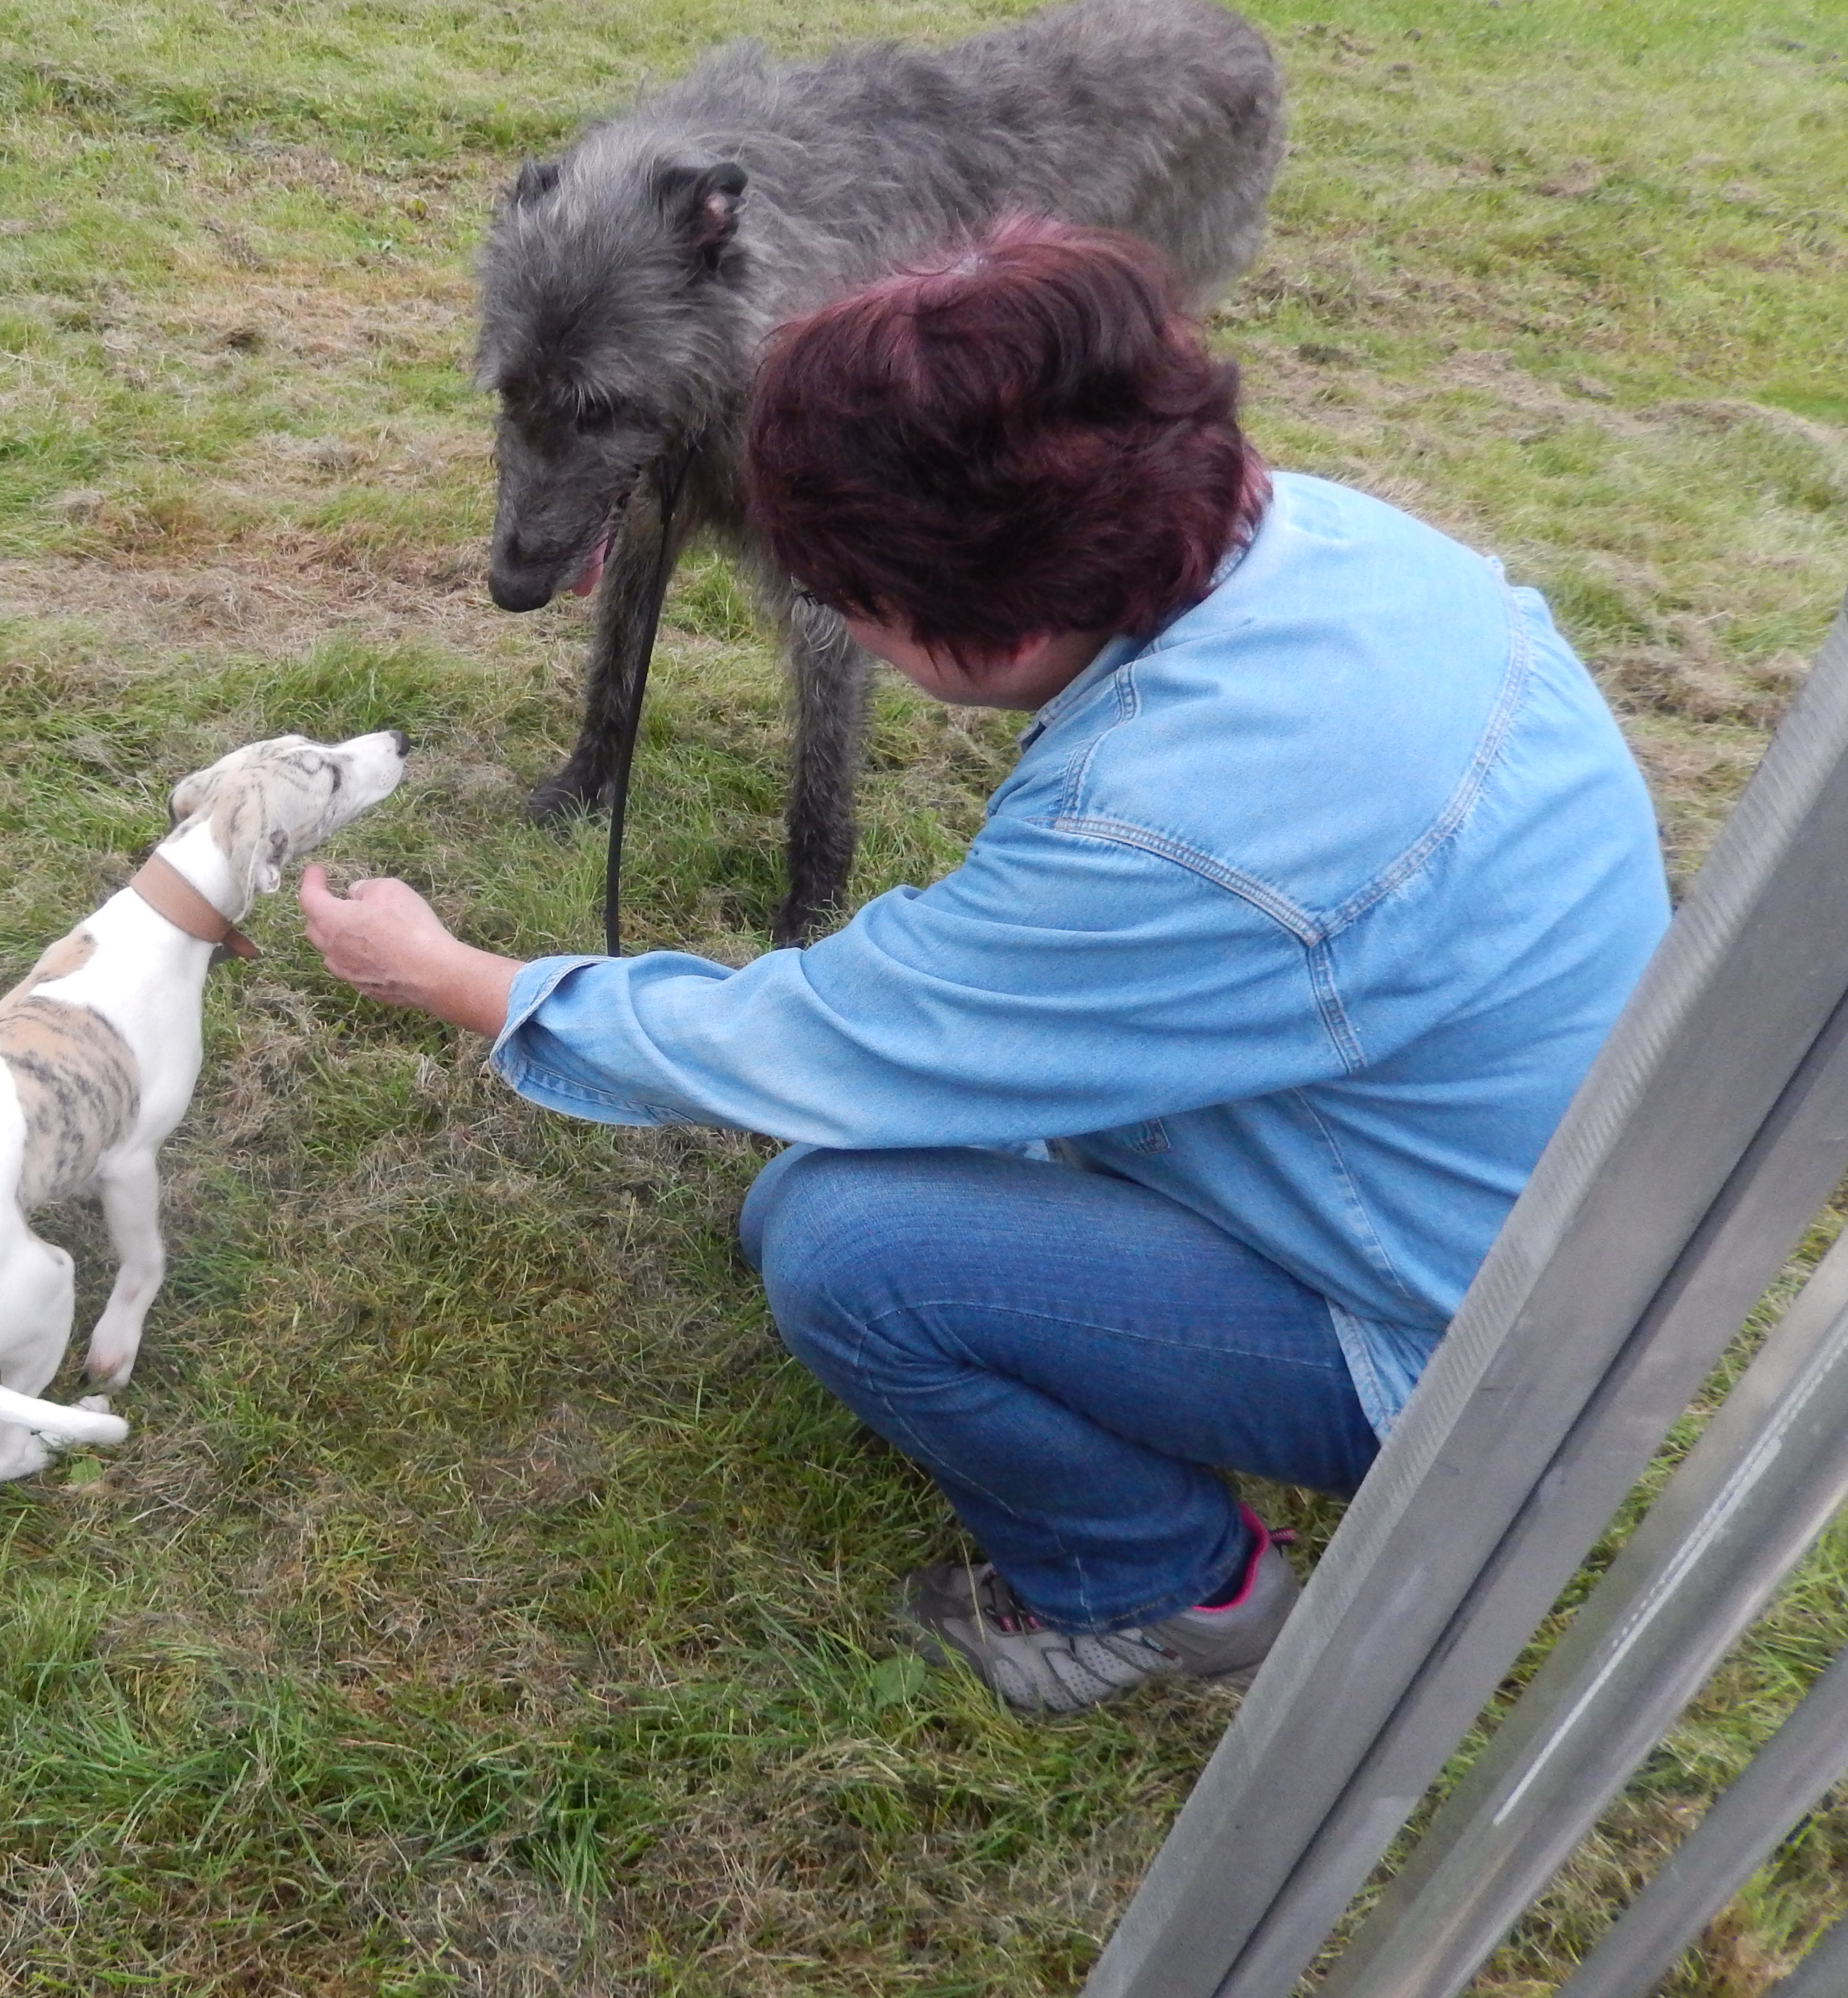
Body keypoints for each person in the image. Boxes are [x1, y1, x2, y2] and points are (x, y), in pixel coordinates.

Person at [299, 216, 1670, 1718]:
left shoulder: (1166, 822)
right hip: (1532, 1213)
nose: (843, 630)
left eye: (847, 604)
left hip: (1466, 1348)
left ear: (984, 611)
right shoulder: (1320, 547)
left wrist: (453, 976)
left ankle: (1162, 1589)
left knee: (849, 1248)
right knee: (844, 1193)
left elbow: (833, 1041)